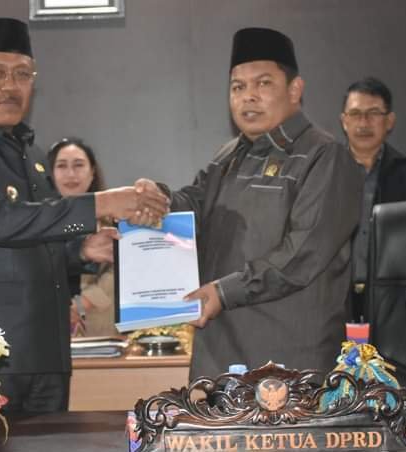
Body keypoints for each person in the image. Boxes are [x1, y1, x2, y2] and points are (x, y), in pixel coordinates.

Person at [0, 18, 168, 414]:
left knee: (55, 441)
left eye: (22, 74)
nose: (10, 86)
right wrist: (98, 204)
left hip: (49, 353)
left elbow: (38, 239)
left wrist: (81, 250)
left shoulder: (31, 155)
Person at [145, 27, 363, 379]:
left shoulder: (325, 156)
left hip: (291, 360)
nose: (248, 96)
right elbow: (194, 207)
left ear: (295, 89)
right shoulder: (228, 155)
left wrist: (224, 291)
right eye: (237, 87)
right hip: (220, 357)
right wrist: (155, 200)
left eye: (263, 84)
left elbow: (302, 254)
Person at [340, 76, 406, 321]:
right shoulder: (325, 171)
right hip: (334, 300)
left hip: (393, 301)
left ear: (389, 121)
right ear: (344, 121)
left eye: (373, 113)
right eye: (355, 114)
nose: (363, 122)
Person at [48, 137, 118, 337]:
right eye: (62, 166)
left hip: (97, 324)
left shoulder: (111, 220)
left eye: (78, 165)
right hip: (47, 321)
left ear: (92, 171)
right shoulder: (36, 222)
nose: (71, 174)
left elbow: (120, 272)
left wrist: (79, 304)